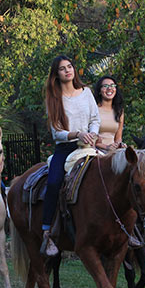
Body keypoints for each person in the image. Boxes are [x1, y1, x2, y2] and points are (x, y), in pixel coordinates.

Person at [42, 55, 100, 256]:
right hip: (66, 148)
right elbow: (56, 131)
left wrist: (92, 132)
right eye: (62, 68)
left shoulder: (87, 93)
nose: (68, 70)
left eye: (70, 66)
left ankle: (126, 229)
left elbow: (95, 119)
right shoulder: (54, 98)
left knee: (111, 175)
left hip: (89, 146)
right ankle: (47, 231)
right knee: (54, 182)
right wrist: (77, 133)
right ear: (56, 74)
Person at [93, 75, 126, 152]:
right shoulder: (94, 109)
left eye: (112, 85)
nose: (109, 88)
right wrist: (106, 147)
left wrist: (120, 145)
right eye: (105, 86)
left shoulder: (119, 111)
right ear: (99, 91)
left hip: (113, 151)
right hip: (95, 150)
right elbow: (89, 137)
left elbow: (118, 138)